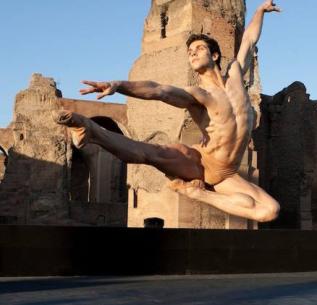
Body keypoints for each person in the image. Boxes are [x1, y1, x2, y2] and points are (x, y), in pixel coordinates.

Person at [55, 0, 281, 222]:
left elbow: (249, 39)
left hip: (227, 174)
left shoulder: (235, 75)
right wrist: (119, 85)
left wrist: (260, 10)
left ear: (214, 56)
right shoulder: (199, 95)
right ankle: (91, 130)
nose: (192, 53)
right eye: (190, 51)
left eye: (199, 48)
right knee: (152, 153)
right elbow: (159, 90)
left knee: (269, 211)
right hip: (201, 162)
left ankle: (198, 194)